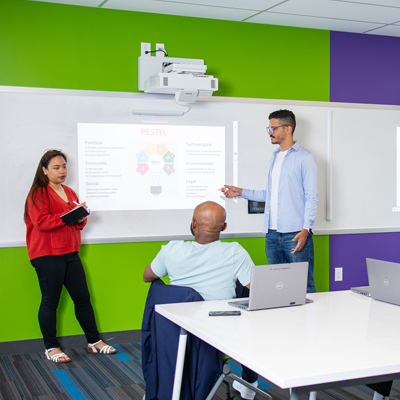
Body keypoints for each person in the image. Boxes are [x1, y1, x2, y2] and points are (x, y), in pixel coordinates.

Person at [143, 201, 259, 399]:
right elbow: (256, 289)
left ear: (193, 223)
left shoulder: (171, 250)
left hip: (176, 331)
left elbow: (147, 276)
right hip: (219, 333)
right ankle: (249, 384)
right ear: (224, 227)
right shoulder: (234, 252)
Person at [24, 150, 116, 363]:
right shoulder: (38, 193)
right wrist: (69, 217)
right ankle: (51, 347)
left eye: (64, 166)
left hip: (70, 252)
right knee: (50, 302)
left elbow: (77, 224)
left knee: (83, 298)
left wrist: (80, 216)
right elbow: (42, 222)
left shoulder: (70, 192)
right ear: (44, 170)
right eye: (56, 167)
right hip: (47, 254)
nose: (62, 171)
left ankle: (94, 342)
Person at [221, 109, 318, 293]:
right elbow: (271, 194)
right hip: (272, 235)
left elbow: (312, 197)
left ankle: (308, 322)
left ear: (288, 129)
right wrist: (240, 192)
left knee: (303, 286)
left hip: (295, 234)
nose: (269, 132)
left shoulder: (305, 158)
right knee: (278, 287)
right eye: (269, 127)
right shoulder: (274, 157)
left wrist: (306, 229)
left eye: (273, 128)